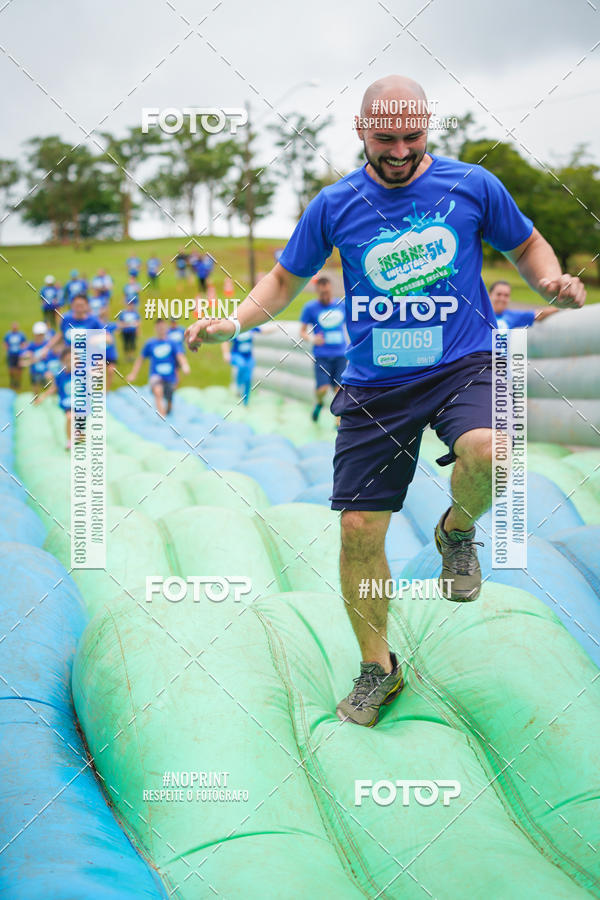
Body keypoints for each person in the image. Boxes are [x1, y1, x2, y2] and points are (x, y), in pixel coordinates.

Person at [185, 75, 586, 728]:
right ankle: (379, 666)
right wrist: (235, 321)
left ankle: (458, 530)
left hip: (462, 363)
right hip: (376, 386)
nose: (399, 150)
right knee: (358, 532)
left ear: (429, 128)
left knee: (495, 452)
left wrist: (546, 277)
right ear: (360, 132)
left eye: (412, 137)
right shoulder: (335, 204)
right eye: (384, 138)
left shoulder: (472, 187)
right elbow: (284, 277)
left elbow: (526, 243)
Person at [300, 275, 347, 421]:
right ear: (317, 292)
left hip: (340, 353)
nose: (325, 296)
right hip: (322, 355)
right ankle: (319, 402)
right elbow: (302, 331)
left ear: (331, 290)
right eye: (322, 293)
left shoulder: (341, 305)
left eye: (327, 292)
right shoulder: (310, 308)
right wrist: (313, 338)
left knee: (339, 389)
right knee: (323, 388)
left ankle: (338, 422)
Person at [127, 319, 190, 417]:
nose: (161, 329)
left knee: (169, 397)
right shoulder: (150, 344)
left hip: (170, 377)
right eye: (159, 327)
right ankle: (162, 417)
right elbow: (140, 359)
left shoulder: (172, 343)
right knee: (158, 392)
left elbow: (180, 355)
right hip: (156, 375)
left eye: (162, 327)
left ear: (166, 328)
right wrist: (133, 374)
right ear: (155, 329)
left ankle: (169, 406)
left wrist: (185, 365)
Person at [34, 347, 74, 449]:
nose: (70, 363)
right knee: (69, 417)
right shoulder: (61, 376)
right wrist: (42, 397)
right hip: (67, 403)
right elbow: (53, 389)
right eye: (67, 361)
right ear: (62, 362)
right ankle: (70, 440)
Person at [489, 279, 560, 330]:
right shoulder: (480, 315)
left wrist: (561, 306)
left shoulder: (512, 316)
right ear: (489, 295)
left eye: (506, 295)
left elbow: (539, 314)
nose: (502, 299)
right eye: (499, 294)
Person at [221, 327, 261, 405]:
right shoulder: (236, 330)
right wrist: (226, 353)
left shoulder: (251, 328)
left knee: (248, 379)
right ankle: (238, 387)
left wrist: (279, 326)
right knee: (241, 365)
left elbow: (263, 331)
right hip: (237, 355)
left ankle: (246, 402)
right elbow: (225, 340)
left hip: (248, 357)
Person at [21, 322, 58, 398]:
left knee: (51, 381)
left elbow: (51, 356)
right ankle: (35, 398)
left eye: (41, 335)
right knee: (36, 386)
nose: (39, 337)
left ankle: (53, 397)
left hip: (45, 370)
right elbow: (23, 355)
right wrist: (27, 355)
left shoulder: (47, 345)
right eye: (38, 335)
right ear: (34, 335)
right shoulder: (31, 345)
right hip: (35, 371)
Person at [4, 322, 27, 390]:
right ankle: (12, 381)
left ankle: (18, 383)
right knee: (11, 369)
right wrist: (7, 348)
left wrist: (22, 349)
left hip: (19, 355)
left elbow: (24, 343)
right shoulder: (8, 335)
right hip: (11, 355)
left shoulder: (21, 334)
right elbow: (5, 343)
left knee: (19, 369)